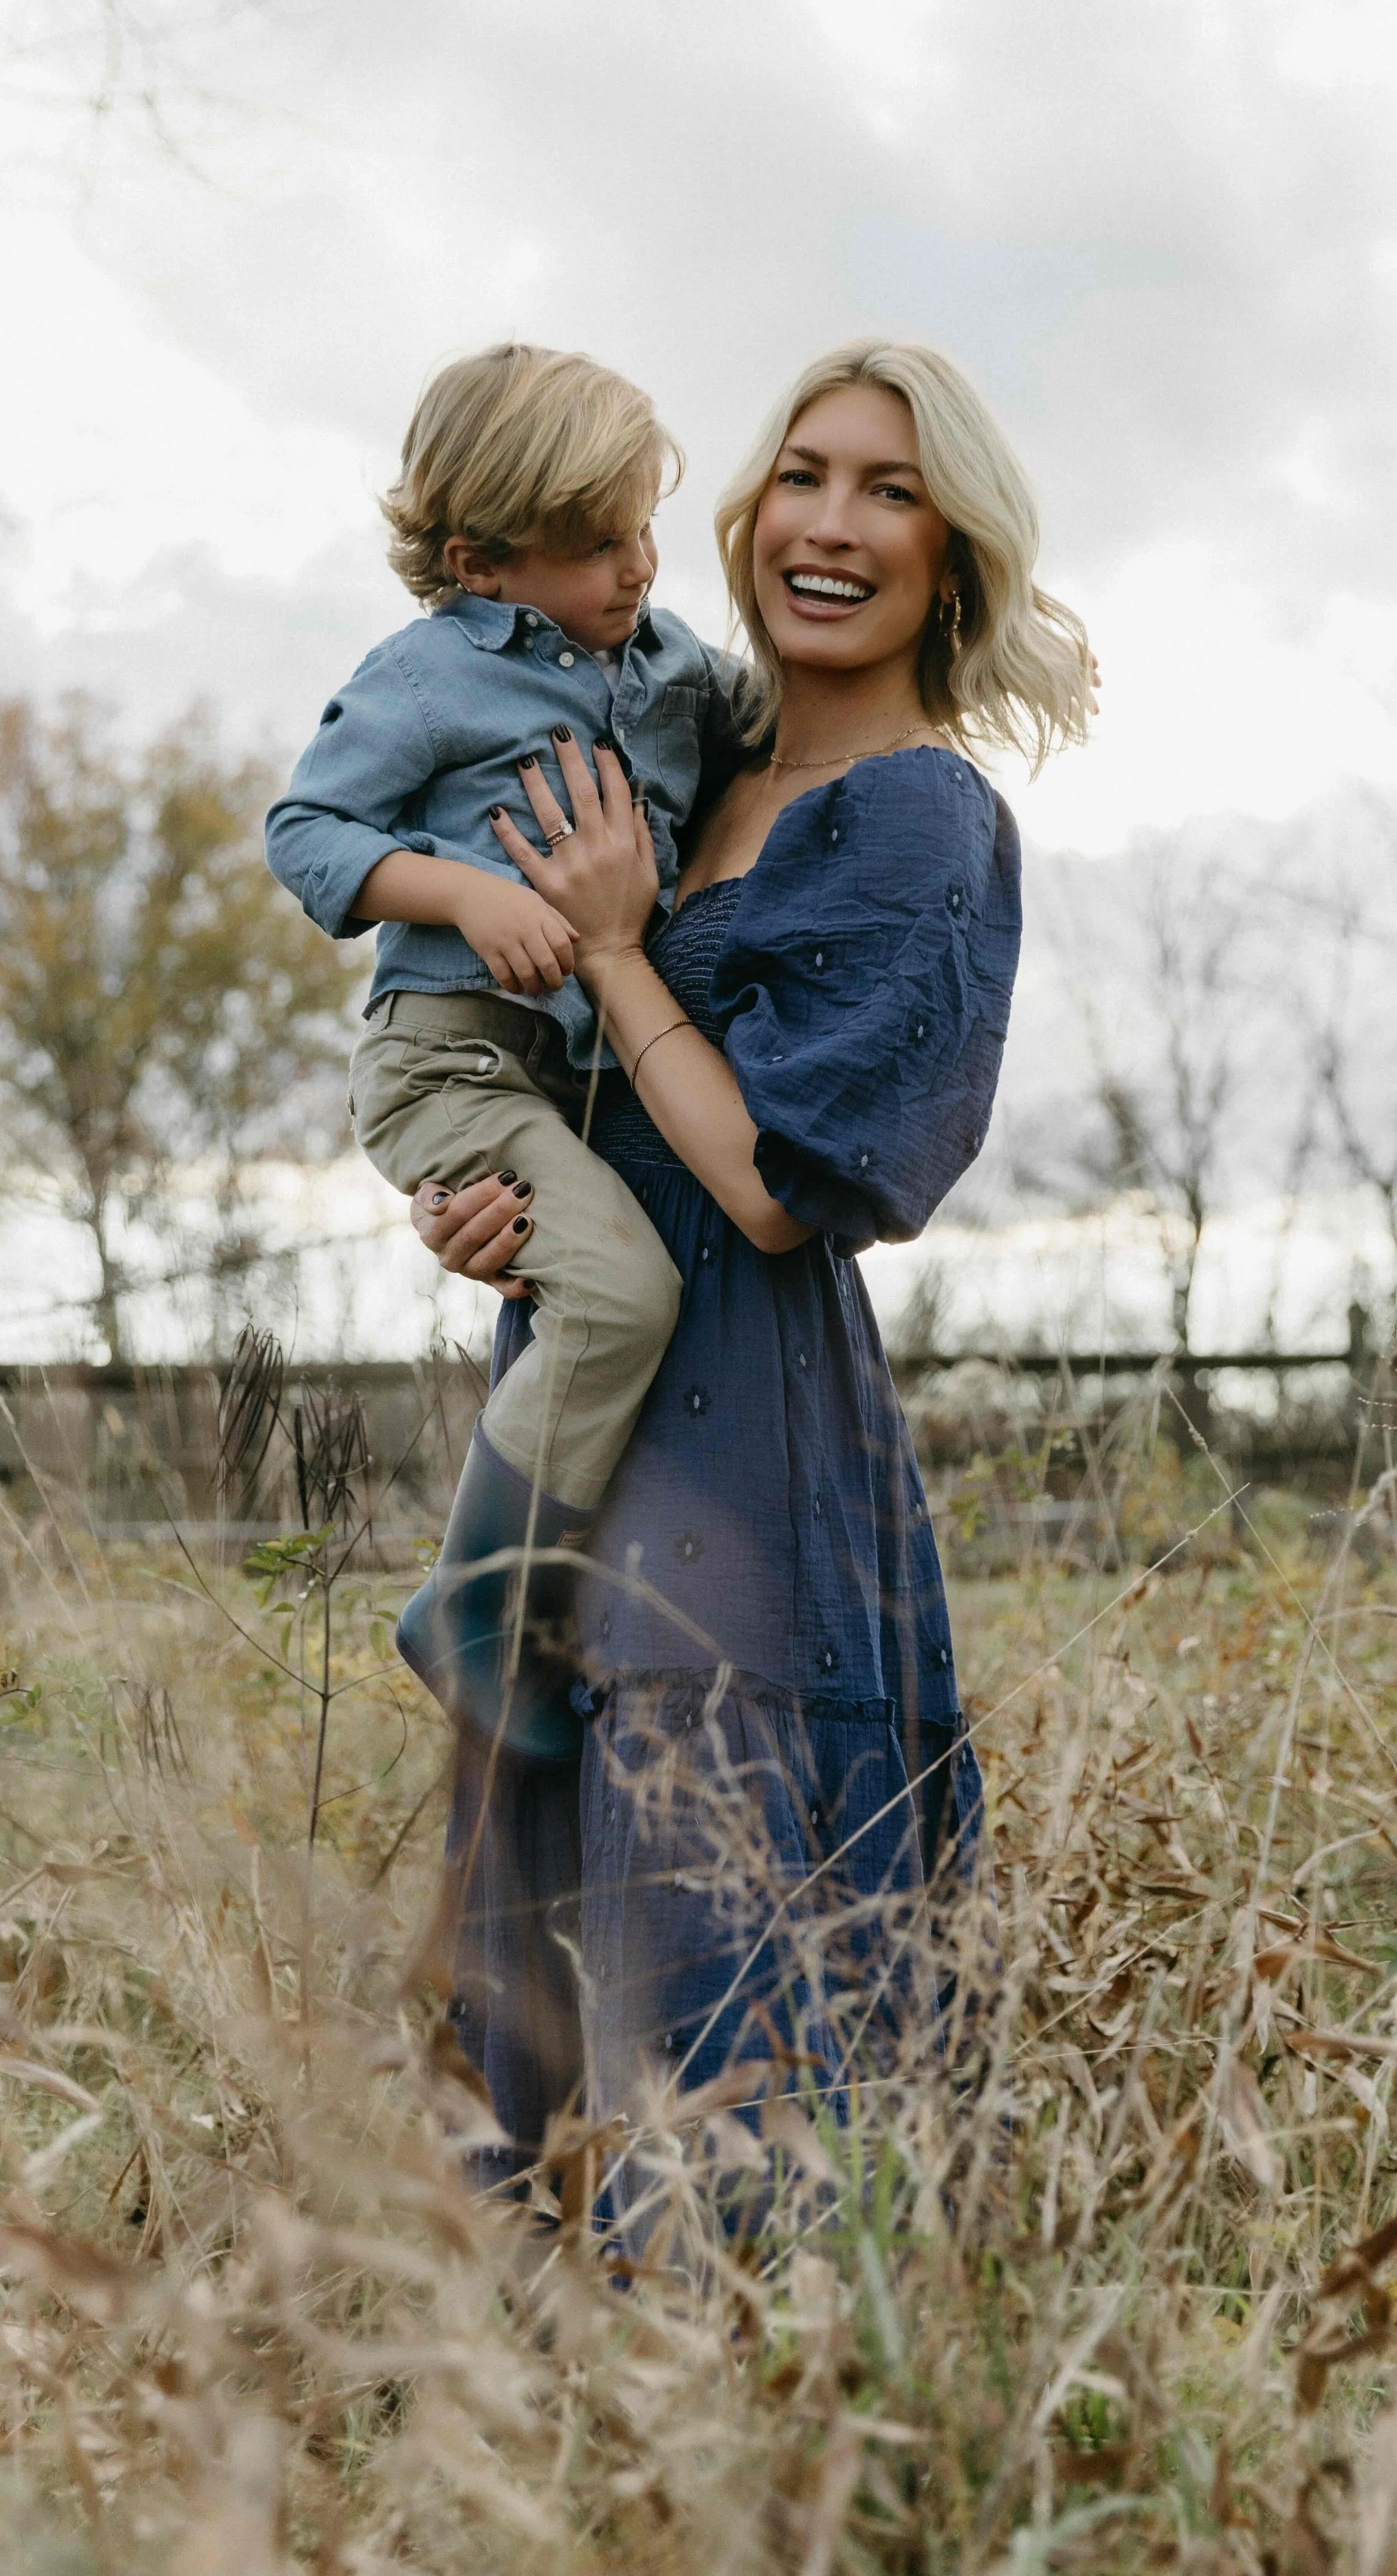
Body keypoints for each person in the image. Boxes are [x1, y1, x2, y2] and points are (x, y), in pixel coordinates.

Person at [414, 340, 1092, 2182]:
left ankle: (716, 2394)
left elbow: (781, 1183)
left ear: (950, 559)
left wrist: (626, 953)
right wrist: (489, 1198)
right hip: (580, 1380)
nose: (832, 522)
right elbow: (597, 1097)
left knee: (700, 1917)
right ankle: (517, 2407)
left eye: (890, 491)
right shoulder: (691, 756)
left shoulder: (923, 817)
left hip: (742, 1419)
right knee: (520, 1906)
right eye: (804, 471)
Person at [265, 344, 739, 1760]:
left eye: (644, 527)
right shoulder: (427, 677)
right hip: (447, 1056)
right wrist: (466, 889)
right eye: (595, 544)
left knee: (612, 1297)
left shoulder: (667, 667)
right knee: (617, 1302)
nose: (638, 565)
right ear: (478, 561)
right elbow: (306, 832)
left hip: (568, 1076)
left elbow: (783, 728)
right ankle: (470, 1611)